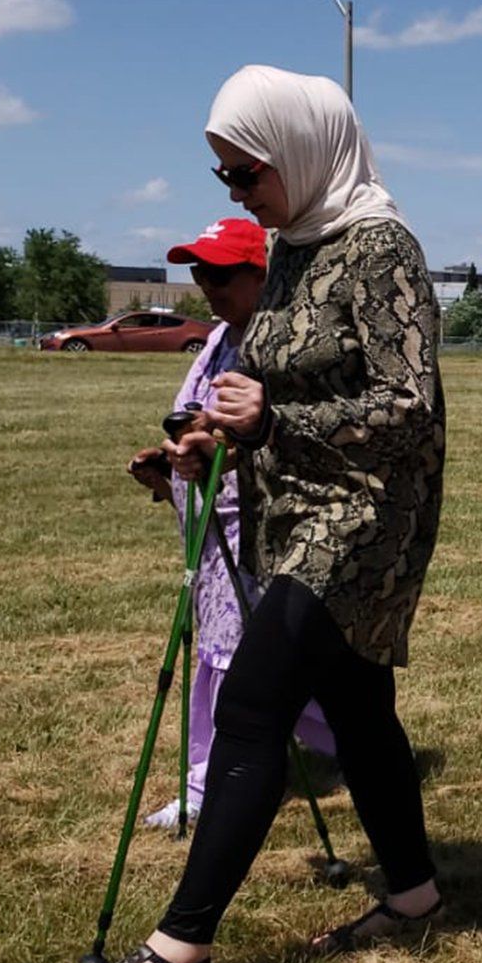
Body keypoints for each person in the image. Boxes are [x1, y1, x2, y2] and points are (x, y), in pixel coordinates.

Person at [60, 65, 446, 963]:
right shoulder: (294, 248)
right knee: (359, 712)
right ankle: (413, 895)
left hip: (366, 517)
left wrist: (274, 424)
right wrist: (198, 448)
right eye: (225, 178)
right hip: (289, 506)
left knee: (253, 706)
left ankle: (179, 949)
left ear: (305, 150)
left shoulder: (381, 248)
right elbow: (258, 383)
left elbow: (410, 408)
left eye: (247, 174)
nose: (238, 196)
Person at [127, 217, 334, 831]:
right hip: (212, 526)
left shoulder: (277, 346)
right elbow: (198, 428)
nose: (206, 284)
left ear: (260, 274)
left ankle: (210, 786)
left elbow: (276, 438)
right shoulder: (219, 340)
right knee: (254, 658)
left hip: (259, 529)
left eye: (220, 272)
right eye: (199, 271)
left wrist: (212, 447)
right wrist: (169, 469)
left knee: (232, 660)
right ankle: (334, 747)